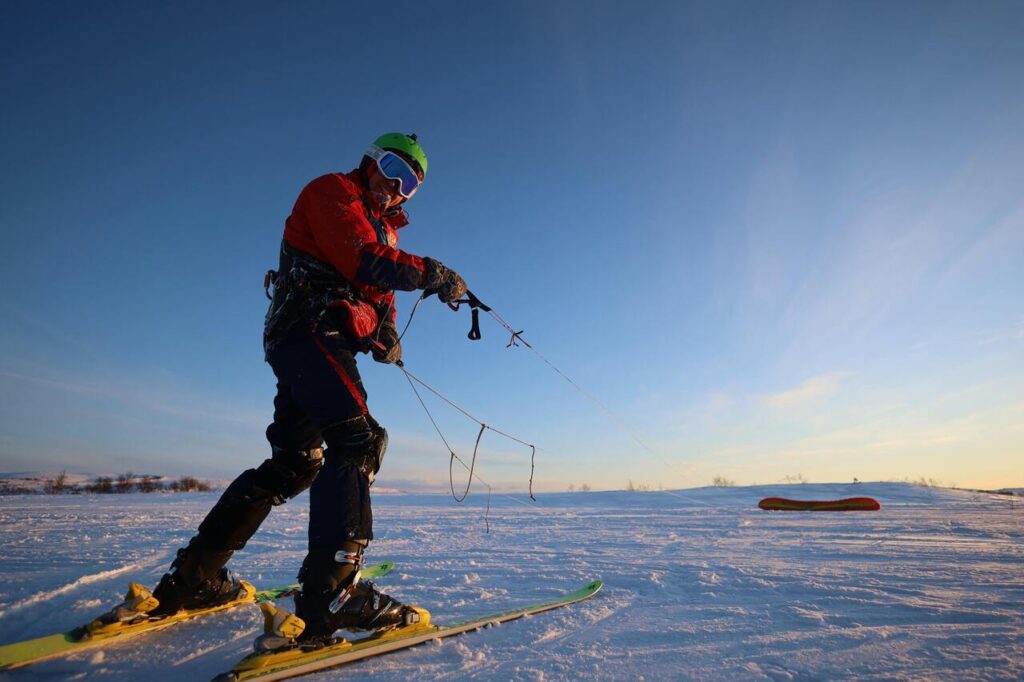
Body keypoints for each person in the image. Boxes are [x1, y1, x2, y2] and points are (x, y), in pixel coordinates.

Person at [149, 133, 467, 642]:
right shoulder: (332, 192)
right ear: (370, 161)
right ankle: (332, 596)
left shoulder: (386, 232)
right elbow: (361, 259)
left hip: (316, 341)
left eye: (409, 183)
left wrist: (385, 337)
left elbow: (377, 289)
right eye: (391, 168)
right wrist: (431, 273)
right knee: (359, 441)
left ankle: (197, 577)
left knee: (297, 463)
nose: (395, 186)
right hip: (310, 329)